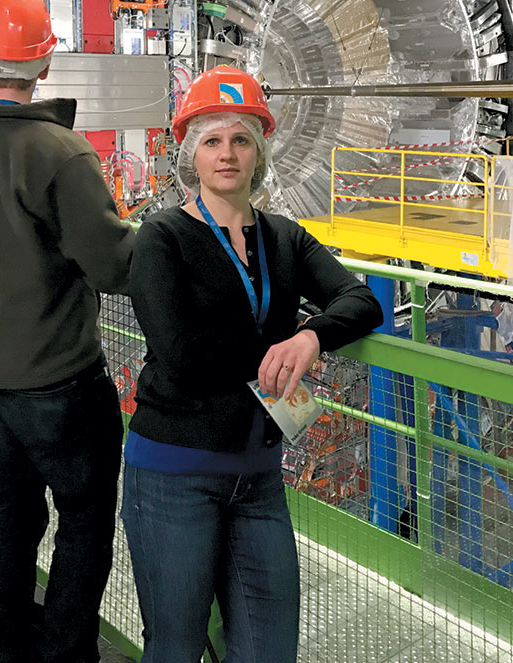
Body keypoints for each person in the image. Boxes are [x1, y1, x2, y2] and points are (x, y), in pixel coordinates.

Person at [122, 64, 383, 663]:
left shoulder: (284, 238)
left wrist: (310, 338)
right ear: (192, 153)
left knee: (269, 649)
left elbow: (361, 301)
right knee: (177, 646)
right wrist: (277, 344)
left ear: (260, 150)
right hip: (174, 472)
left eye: (241, 139)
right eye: (212, 140)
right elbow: (181, 352)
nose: (227, 154)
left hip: (259, 475)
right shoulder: (161, 238)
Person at [0, 0, 135, 663]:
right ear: (44, 66)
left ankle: (10, 650)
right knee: (84, 518)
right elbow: (109, 265)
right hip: (59, 379)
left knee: (7, 518)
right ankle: (68, 652)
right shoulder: (59, 152)